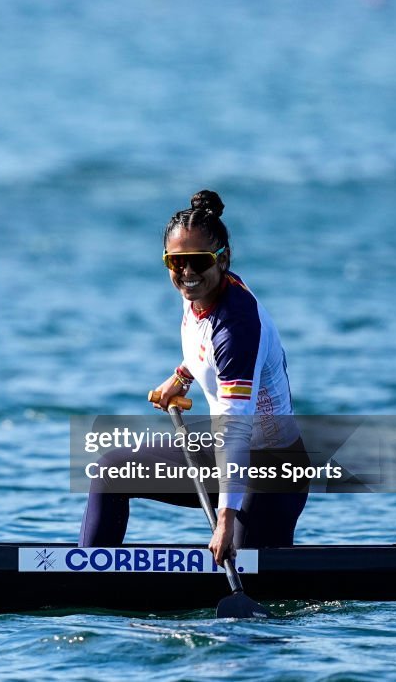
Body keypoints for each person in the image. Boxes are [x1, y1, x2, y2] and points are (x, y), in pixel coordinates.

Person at [78, 190, 307, 565]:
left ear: (223, 260)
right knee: (110, 471)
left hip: (272, 472)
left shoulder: (237, 328)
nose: (186, 272)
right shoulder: (200, 290)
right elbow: (203, 344)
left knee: (248, 570)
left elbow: (235, 429)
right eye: (176, 261)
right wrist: (182, 376)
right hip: (230, 455)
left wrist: (225, 519)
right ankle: (86, 571)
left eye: (198, 261)